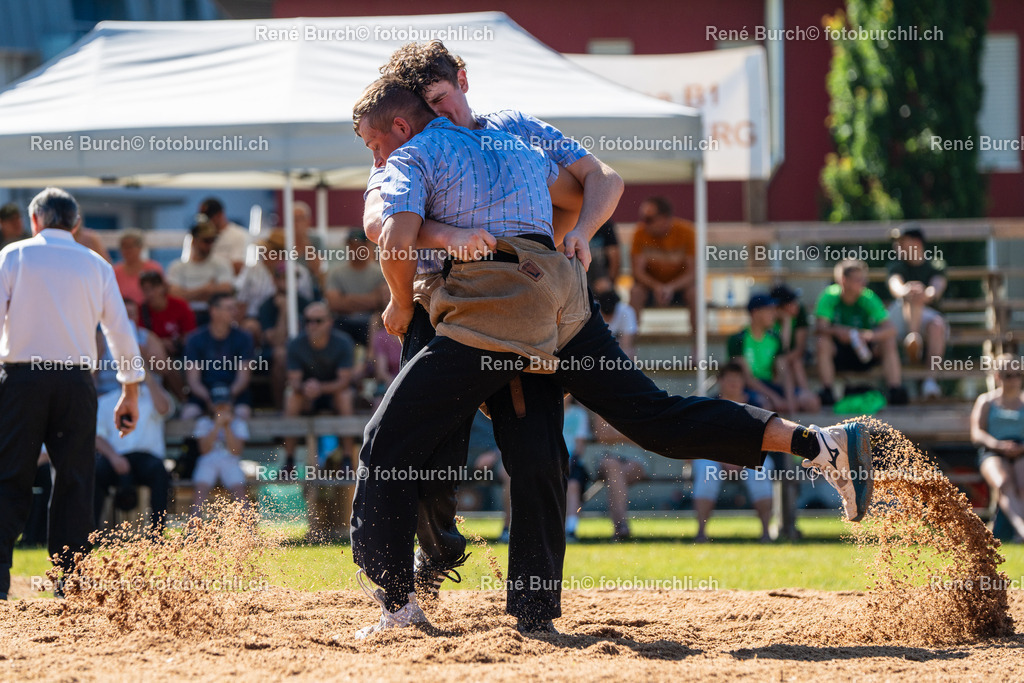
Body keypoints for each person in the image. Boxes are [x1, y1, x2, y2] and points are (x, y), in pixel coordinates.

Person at [350, 78, 875, 639]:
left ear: (443, 96)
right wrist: (565, 233)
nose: (438, 114)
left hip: (492, 307)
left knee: (402, 443)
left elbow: (390, 231)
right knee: (593, 437)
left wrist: (404, 297)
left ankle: (407, 595)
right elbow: (588, 184)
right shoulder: (511, 134)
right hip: (555, 297)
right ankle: (817, 443)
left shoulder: (440, 145)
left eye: (373, 143)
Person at [0, 187, 142, 601]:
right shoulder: (96, 264)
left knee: (9, 478)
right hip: (76, 383)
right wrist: (129, 391)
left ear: (35, 220)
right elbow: (119, 330)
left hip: (21, 381)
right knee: (76, 481)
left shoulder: (13, 256)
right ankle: (71, 581)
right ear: (76, 224)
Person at [693, 362, 774, 543]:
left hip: (749, 456)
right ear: (720, 381)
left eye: (737, 379)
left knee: (761, 470)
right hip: (715, 458)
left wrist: (740, 458)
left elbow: (764, 440)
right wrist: (725, 459)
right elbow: (704, 441)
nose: (733, 383)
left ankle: (766, 533)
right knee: (706, 470)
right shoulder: (709, 406)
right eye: (729, 379)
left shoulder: (758, 405)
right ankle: (701, 532)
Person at [815, 260, 907, 406]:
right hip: (840, 353)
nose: (863, 283)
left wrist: (869, 336)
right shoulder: (829, 296)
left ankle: (895, 390)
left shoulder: (868, 297)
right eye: (858, 280)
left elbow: (890, 329)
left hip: (864, 351)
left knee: (888, 341)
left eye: (864, 279)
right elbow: (820, 328)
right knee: (823, 341)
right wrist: (838, 331)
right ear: (843, 281)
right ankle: (827, 392)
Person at [94, 366, 172, 533]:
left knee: (160, 472)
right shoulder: (106, 401)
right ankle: (92, 533)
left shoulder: (152, 398)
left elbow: (164, 409)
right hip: (116, 457)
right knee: (95, 472)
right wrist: (114, 457)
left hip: (147, 459)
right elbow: (97, 436)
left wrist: (149, 378)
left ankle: (157, 534)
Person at [281, 302, 356, 472]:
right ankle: (289, 460)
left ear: (329, 321)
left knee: (344, 396)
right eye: (308, 320)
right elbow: (294, 381)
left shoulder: (343, 342)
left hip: (333, 395)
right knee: (291, 397)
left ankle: (347, 459)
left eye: (317, 320)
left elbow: (344, 381)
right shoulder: (295, 344)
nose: (312, 325)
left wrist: (319, 388)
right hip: (307, 396)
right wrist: (305, 388)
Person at [728, 293, 818, 413]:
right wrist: (775, 398)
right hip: (749, 389)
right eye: (769, 310)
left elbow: (784, 372)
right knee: (764, 406)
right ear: (755, 313)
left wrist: (789, 399)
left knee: (812, 401)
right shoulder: (737, 339)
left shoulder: (775, 338)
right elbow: (747, 378)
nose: (774, 314)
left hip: (770, 385)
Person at [887, 223, 947, 399]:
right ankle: (913, 339)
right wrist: (909, 291)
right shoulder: (896, 264)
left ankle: (929, 380)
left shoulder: (935, 263)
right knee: (912, 293)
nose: (896, 246)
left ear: (916, 242)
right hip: (899, 316)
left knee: (937, 325)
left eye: (901, 241)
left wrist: (922, 293)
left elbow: (936, 289)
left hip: (927, 318)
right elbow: (896, 286)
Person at [970, 354, 1024, 541]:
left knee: (1022, 483)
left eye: (1018, 374)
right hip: (992, 451)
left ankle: (1011, 531)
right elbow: (977, 433)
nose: (1014, 380)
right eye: (1008, 375)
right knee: (1004, 482)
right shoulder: (986, 401)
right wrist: (998, 445)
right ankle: (1021, 529)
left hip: (1020, 450)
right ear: (998, 377)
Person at [180, 293, 254, 421]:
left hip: (234, 394)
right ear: (214, 311)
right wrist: (210, 399)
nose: (235, 312)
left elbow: (243, 378)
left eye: (235, 308)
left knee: (243, 414)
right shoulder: (194, 339)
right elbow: (193, 380)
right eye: (229, 308)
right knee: (188, 415)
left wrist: (225, 399)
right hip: (203, 395)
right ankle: (195, 442)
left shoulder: (244, 338)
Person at [629, 197, 697, 330]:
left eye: (649, 219)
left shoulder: (686, 232)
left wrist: (671, 287)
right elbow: (638, 271)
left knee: (695, 294)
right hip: (650, 287)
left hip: (679, 288)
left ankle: (698, 343)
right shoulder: (640, 233)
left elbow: (692, 272)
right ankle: (630, 343)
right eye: (643, 218)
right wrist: (657, 287)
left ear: (664, 218)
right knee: (636, 292)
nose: (644, 223)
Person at [236, 228, 316, 336]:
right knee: (250, 327)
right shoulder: (253, 271)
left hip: (293, 316)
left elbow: (307, 302)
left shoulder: (300, 272)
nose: (264, 254)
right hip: (257, 318)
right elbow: (242, 302)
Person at [259, 263, 312, 409]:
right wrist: (284, 312)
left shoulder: (305, 303)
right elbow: (276, 341)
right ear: (275, 280)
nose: (289, 282)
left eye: (293, 278)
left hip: (305, 351)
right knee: (281, 354)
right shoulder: (267, 306)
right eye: (284, 278)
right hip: (274, 356)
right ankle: (281, 408)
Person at [190, 384, 249, 513]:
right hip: (208, 461)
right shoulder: (203, 423)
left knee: (240, 492)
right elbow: (204, 450)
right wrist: (217, 426)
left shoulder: (238, 423)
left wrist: (227, 427)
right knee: (200, 492)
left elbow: (236, 451)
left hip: (230, 461)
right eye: (218, 405)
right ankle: (193, 528)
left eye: (225, 404)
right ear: (211, 404)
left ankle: (248, 530)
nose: (221, 408)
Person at [324, 230, 388, 346]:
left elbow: (379, 301)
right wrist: (368, 299)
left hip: (371, 322)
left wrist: (347, 299)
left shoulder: (380, 272)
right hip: (343, 322)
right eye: (351, 246)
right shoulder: (336, 273)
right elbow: (334, 303)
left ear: (368, 246)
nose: (355, 250)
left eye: (359, 246)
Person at [166, 217, 235, 326]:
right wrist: (206, 289)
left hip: (213, 315)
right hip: (185, 315)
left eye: (212, 240)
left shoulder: (222, 264)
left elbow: (225, 291)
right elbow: (174, 296)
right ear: (194, 241)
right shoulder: (177, 267)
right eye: (206, 241)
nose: (210, 245)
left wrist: (187, 293)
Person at [770, 284, 817, 410]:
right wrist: (786, 321)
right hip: (775, 362)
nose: (796, 304)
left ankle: (803, 396)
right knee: (784, 363)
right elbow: (780, 349)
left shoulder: (800, 311)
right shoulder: (770, 318)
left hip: (793, 359)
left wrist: (787, 321)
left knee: (793, 362)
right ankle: (793, 404)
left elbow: (799, 349)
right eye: (791, 302)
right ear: (782, 307)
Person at [139, 269, 197, 359]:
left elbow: (190, 336)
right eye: (146, 289)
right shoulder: (141, 310)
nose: (150, 293)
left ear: (163, 287)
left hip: (181, 354)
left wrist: (175, 342)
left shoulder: (180, 305)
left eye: (154, 288)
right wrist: (160, 343)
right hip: (154, 357)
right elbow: (141, 339)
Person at [562, 396, 592, 543]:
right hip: (548, 461)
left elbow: (579, 447)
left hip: (571, 462)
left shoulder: (579, 414)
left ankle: (571, 529)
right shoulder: (543, 414)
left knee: (572, 484)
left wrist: (567, 462)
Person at [199, 197, 249, 275]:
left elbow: (237, 268)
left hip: (227, 284)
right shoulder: (200, 236)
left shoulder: (238, 235)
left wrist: (205, 266)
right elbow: (192, 263)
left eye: (209, 218)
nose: (206, 222)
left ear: (220, 215)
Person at [114, 229, 163, 307]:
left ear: (140, 247)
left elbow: (161, 294)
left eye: (130, 246)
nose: (127, 250)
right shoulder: (115, 271)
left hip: (148, 314)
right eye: (124, 246)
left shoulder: (153, 268)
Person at [597, 289, 637, 359]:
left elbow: (627, 344)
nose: (609, 319)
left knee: (630, 353)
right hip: (599, 353)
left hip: (619, 351)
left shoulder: (627, 312)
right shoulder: (593, 312)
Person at [587, 219, 620, 294]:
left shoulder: (605, 226)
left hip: (601, 276)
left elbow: (614, 256)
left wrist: (610, 280)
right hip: (581, 276)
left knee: (605, 289)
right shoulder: (573, 223)